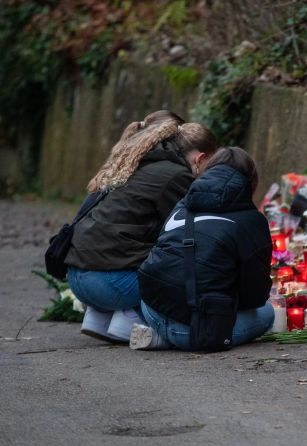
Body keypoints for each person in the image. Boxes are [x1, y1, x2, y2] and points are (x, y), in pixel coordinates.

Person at [66, 111, 218, 342]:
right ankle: (130, 316)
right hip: (109, 284)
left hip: (77, 277)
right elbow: (191, 235)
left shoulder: (136, 165)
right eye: (211, 165)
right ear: (200, 159)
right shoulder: (176, 177)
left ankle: (100, 316)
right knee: (185, 267)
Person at [133, 146, 274, 350]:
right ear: (251, 181)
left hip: (153, 309)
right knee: (268, 313)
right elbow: (255, 296)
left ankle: (162, 336)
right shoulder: (252, 221)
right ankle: (175, 338)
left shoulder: (183, 204)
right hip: (201, 329)